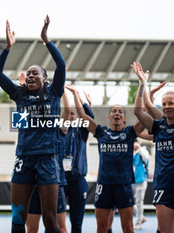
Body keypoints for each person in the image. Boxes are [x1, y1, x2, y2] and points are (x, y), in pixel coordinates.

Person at [0, 15, 66, 233]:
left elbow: (61, 64)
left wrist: (46, 40)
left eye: (36, 73)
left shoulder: (54, 93)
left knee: (50, 220)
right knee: (17, 217)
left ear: (45, 78)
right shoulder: (19, 94)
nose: (31, 75)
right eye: (28, 73)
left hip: (47, 159)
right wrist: (7, 47)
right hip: (24, 158)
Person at [133, 58, 174, 233]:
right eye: (163, 104)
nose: (166, 107)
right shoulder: (159, 126)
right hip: (164, 187)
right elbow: (139, 111)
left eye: (170, 103)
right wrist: (142, 83)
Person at [65, 84, 145, 233]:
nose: (117, 113)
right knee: (101, 227)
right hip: (104, 185)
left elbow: (145, 117)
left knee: (128, 227)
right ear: (109, 117)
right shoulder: (101, 132)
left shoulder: (130, 133)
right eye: (114, 111)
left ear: (124, 118)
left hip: (124, 185)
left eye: (120, 111)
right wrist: (76, 93)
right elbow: (83, 116)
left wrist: (142, 85)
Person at [26, 92, 69, 233]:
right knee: (31, 228)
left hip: (54, 184)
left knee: (60, 228)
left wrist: (61, 90)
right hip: (33, 185)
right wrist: (25, 93)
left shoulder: (58, 130)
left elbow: (67, 111)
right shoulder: (30, 130)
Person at [62, 89, 94, 233]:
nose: (70, 116)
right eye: (68, 113)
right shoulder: (57, 131)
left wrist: (85, 103)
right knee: (54, 221)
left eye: (73, 114)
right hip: (59, 180)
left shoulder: (81, 132)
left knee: (77, 222)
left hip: (78, 180)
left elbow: (89, 118)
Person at [132, 140, 150, 230]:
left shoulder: (143, 152)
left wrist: (139, 147)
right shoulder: (132, 154)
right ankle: (141, 216)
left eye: (136, 143)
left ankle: (138, 223)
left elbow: (146, 157)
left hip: (141, 181)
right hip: (132, 181)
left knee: (139, 202)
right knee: (129, 202)